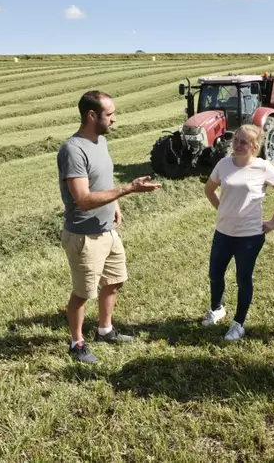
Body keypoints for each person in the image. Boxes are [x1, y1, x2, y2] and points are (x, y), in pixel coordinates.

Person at [58, 90, 162, 364]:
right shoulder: (73, 150)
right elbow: (82, 199)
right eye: (110, 114)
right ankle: (76, 343)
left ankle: (105, 330)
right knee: (83, 294)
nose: (115, 119)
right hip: (84, 235)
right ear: (91, 115)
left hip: (106, 230)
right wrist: (127, 189)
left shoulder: (100, 141)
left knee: (115, 281)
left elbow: (101, 180)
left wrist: (115, 204)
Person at [202, 124, 274, 340]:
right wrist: (222, 209)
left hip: (249, 236)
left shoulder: (263, 167)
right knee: (215, 274)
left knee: (243, 279)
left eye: (243, 142)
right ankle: (217, 308)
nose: (238, 145)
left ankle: (238, 323)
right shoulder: (223, 164)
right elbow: (209, 189)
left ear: (254, 146)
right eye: (235, 140)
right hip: (223, 232)